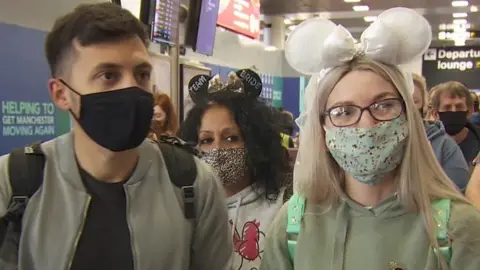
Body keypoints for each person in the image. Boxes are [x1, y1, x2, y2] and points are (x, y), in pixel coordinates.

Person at [0, 3, 232, 269]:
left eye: (141, 74)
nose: (131, 88)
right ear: (61, 94)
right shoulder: (12, 183)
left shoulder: (193, 184)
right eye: (108, 75)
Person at [260, 7, 480, 270]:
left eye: (383, 106)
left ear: (408, 117)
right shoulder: (294, 223)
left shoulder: (458, 227)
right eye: (344, 112)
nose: (366, 124)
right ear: (323, 127)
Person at [179, 69, 292, 270]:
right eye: (206, 140)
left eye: (231, 138)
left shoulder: (285, 204)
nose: (217, 149)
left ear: (254, 143)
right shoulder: (185, 207)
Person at [412, 73, 469, 190]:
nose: (407, 107)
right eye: (447, 108)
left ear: (424, 106)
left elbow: (456, 195)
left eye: (414, 101)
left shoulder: (445, 146)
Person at [429, 81, 480, 166]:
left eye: (459, 106)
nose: (453, 111)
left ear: (469, 112)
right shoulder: (425, 145)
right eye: (447, 107)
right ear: (435, 114)